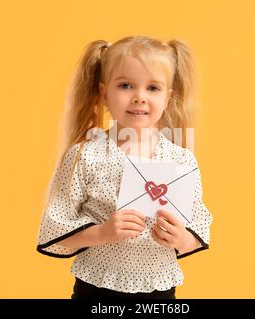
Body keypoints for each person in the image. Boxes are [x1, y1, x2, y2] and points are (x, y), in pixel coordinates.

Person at [36, 35, 213, 299]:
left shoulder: (181, 160)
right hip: (96, 290)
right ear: (103, 93)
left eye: (153, 88)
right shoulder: (85, 156)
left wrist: (182, 239)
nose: (139, 97)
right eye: (126, 85)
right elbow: (55, 229)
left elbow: (198, 226)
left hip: (159, 292)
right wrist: (101, 233)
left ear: (168, 97)